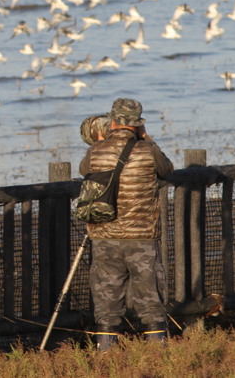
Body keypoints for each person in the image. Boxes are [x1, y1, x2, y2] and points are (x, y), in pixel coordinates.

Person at [79, 98, 174, 350]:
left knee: (107, 294)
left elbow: (84, 170)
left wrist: (101, 142)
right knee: (149, 294)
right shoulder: (148, 150)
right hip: (141, 235)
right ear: (138, 124)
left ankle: (106, 349)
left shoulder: (95, 151)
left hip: (104, 233)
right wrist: (147, 138)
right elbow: (167, 170)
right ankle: (156, 350)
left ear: (112, 121)